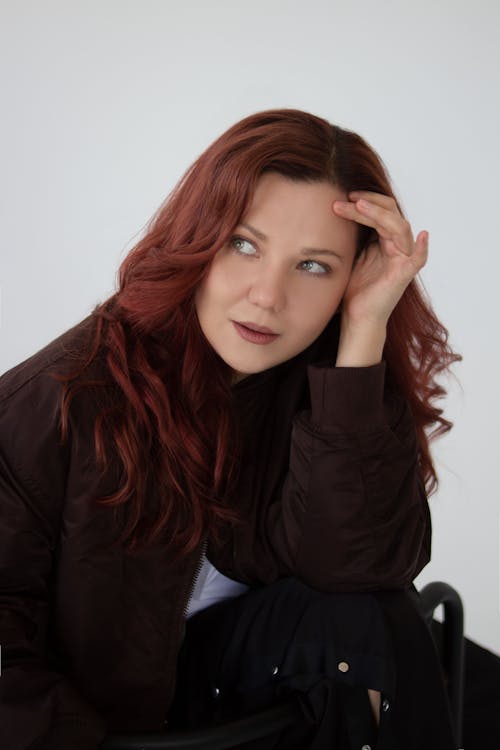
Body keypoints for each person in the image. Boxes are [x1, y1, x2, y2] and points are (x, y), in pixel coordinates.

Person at [0, 109, 461, 750]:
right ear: (198, 239)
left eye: (314, 267)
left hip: (251, 691)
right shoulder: (52, 402)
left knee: (388, 626)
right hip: (109, 727)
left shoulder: (322, 379)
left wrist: (362, 336)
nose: (267, 297)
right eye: (243, 244)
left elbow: (361, 569)